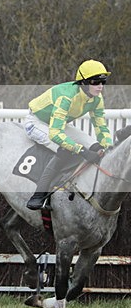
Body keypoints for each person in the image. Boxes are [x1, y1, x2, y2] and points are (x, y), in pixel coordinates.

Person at [25, 59, 113, 210]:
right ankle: (39, 195)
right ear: (83, 83)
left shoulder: (97, 99)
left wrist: (107, 146)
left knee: (95, 146)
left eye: (103, 82)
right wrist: (82, 151)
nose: (100, 86)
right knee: (66, 150)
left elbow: (100, 126)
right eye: (95, 82)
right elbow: (55, 134)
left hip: (59, 124)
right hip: (36, 122)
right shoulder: (66, 96)